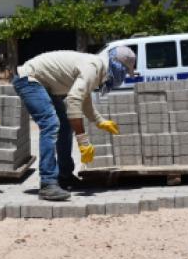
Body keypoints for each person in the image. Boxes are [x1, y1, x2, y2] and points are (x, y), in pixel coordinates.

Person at [13, 46, 136, 201]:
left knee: (64, 124)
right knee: (51, 124)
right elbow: (74, 100)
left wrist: (100, 121)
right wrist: (83, 141)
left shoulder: (97, 69)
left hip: (44, 84)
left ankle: (65, 176)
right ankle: (47, 183)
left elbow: (83, 99)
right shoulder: (94, 67)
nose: (123, 76)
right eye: (124, 72)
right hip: (29, 79)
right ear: (118, 66)